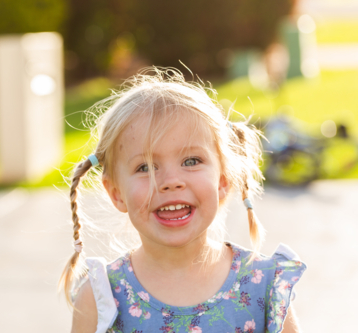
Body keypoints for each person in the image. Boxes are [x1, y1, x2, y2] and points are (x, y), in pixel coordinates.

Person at [60, 68, 306, 333]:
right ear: (116, 193)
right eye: (145, 167)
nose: (170, 180)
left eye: (191, 161)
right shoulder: (101, 298)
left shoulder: (264, 287)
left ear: (223, 180)